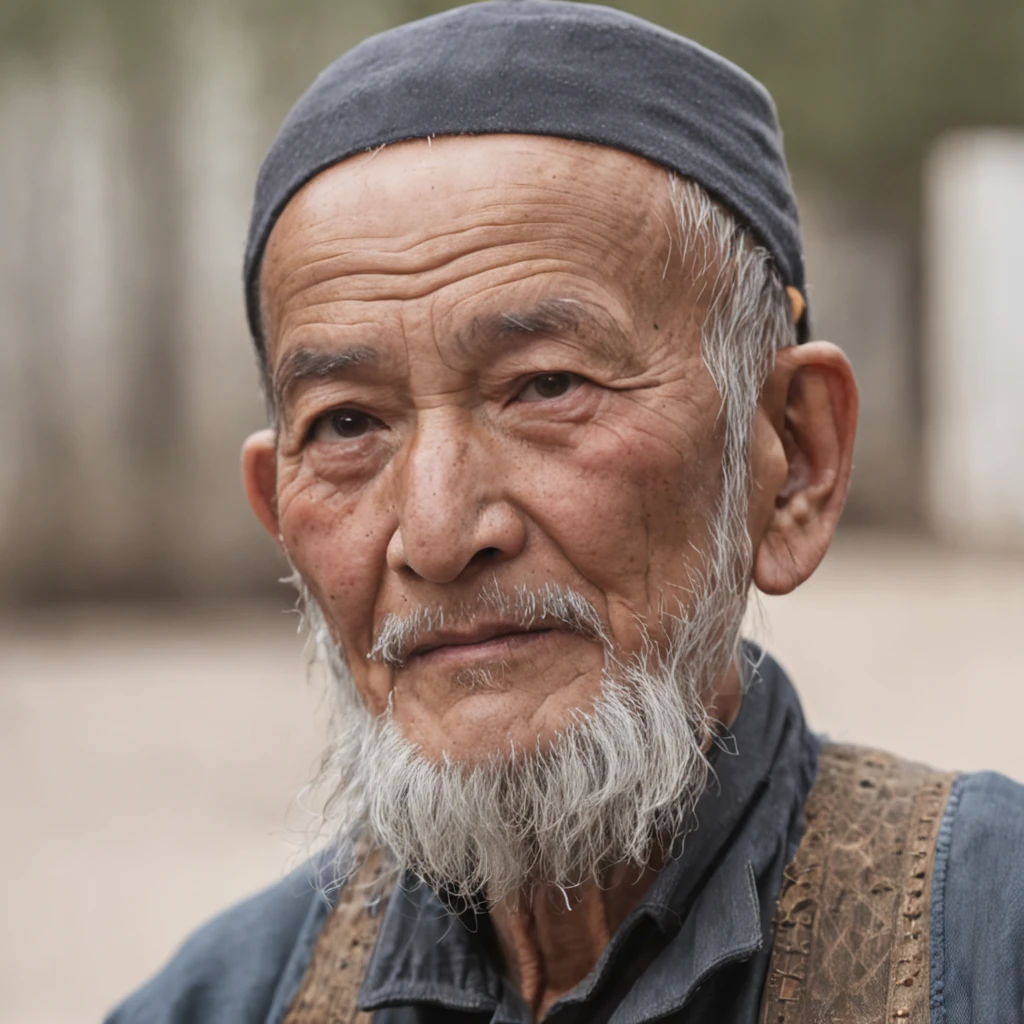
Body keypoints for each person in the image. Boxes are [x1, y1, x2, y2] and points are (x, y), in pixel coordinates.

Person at [107, 2, 1024, 1022]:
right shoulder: (220, 999)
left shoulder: (991, 944)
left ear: (791, 458)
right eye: (349, 422)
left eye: (546, 387)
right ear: (277, 512)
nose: (441, 532)